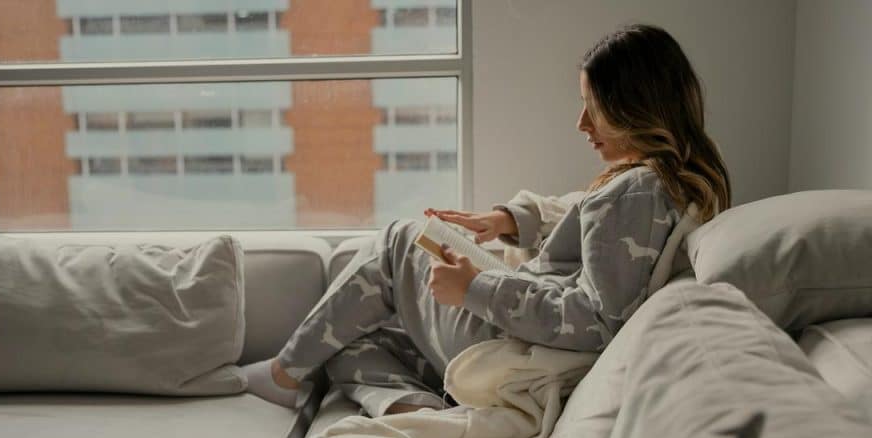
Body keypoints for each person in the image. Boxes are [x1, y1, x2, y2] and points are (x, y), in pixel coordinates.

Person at [244, 23, 731, 415]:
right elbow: (590, 233)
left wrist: (473, 288)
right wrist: (507, 221)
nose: (582, 125)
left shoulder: (635, 192)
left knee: (401, 240)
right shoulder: (676, 181)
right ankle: (410, 407)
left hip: (514, 337)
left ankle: (285, 373)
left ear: (634, 109)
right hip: (522, 323)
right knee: (356, 339)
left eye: (594, 110)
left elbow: (595, 320)